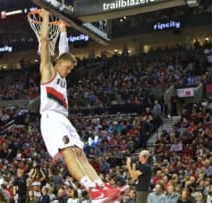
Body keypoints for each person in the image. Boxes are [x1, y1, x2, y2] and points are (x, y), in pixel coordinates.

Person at [38, 9, 129, 203]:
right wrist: (45, 17)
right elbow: (44, 42)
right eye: (68, 67)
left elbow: (65, 51)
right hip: (50, 118)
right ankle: (91, 190)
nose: (70, 71)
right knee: (69, 153)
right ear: (59, 63)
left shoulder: (62, 76)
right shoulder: (47, 71)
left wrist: (63, 30)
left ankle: (102, 188)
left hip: (63, 118)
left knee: (80, 153)